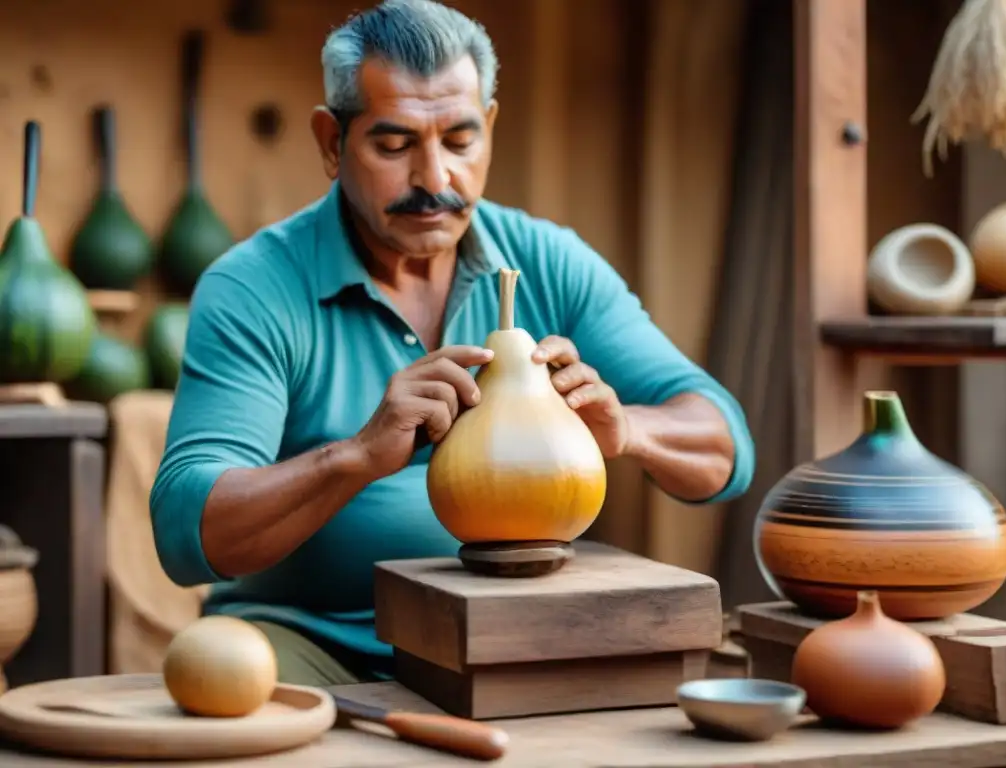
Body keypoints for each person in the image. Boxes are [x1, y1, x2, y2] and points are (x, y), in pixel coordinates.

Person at [150, 0, 755, 687]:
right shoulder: (255, 286)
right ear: (330, 141)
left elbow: (725, 448)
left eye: (461, 141)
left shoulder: (548, 261)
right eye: (395, 144)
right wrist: (354, 457)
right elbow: (186, 531)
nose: (435, 180)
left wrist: (628, 432)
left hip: (514, 636)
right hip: (316, 646)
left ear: (489, 127)